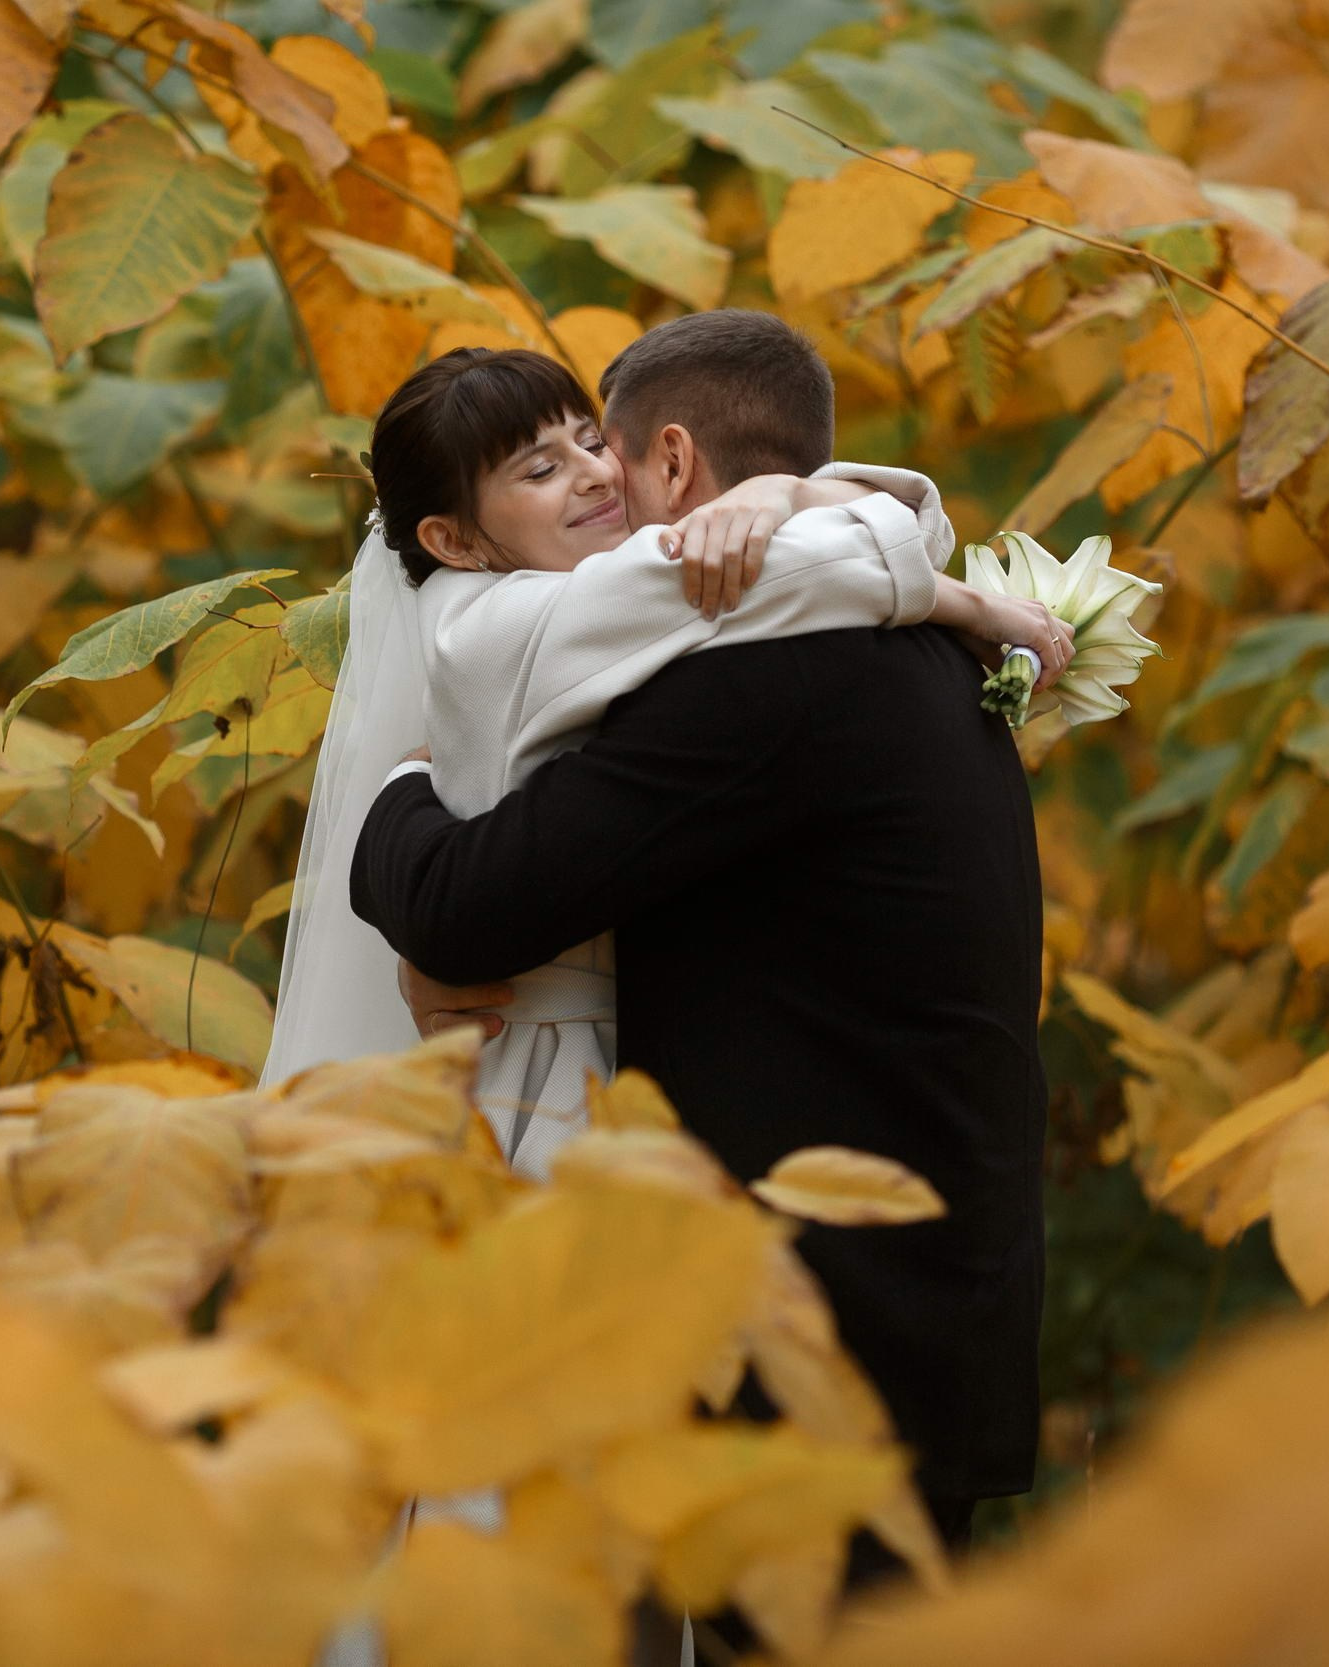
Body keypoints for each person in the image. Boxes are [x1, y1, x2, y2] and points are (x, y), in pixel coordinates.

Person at [345, 312, 1055, 1569]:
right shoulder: (912, 654)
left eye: (599, 453)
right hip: (917, 1305)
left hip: (822, 1349)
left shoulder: (767, 678)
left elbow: (467, 909)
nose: (599, 488)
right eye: (549, 469)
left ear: (670, 464)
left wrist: (401, 786)